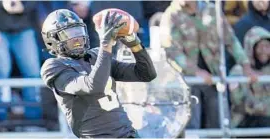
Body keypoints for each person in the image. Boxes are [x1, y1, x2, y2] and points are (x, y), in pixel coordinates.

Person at [40, 9, 156, 138]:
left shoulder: (96, 55)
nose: (78, 37)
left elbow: (146, 74)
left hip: (128, 134)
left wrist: (133, 41)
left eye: (79, 31)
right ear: (53, 39)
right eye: (70, 34)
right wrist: (106, 44)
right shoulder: (54, 66)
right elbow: (93, 86)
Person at [160, 0, 257, 129]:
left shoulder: (213, 10)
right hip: (185, 82)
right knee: (191, 127)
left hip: (214, 79)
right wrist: (195, 71)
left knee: (217, 124)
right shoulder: (171, 15)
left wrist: (246, 65)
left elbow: (231, 40)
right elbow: (171, 49)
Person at [229, 26, 270, 128]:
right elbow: (238, 102)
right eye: (259, 46)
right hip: (244, 121)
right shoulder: (238, 71)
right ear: (250, 48)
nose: (264, 51)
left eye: (267, 46)